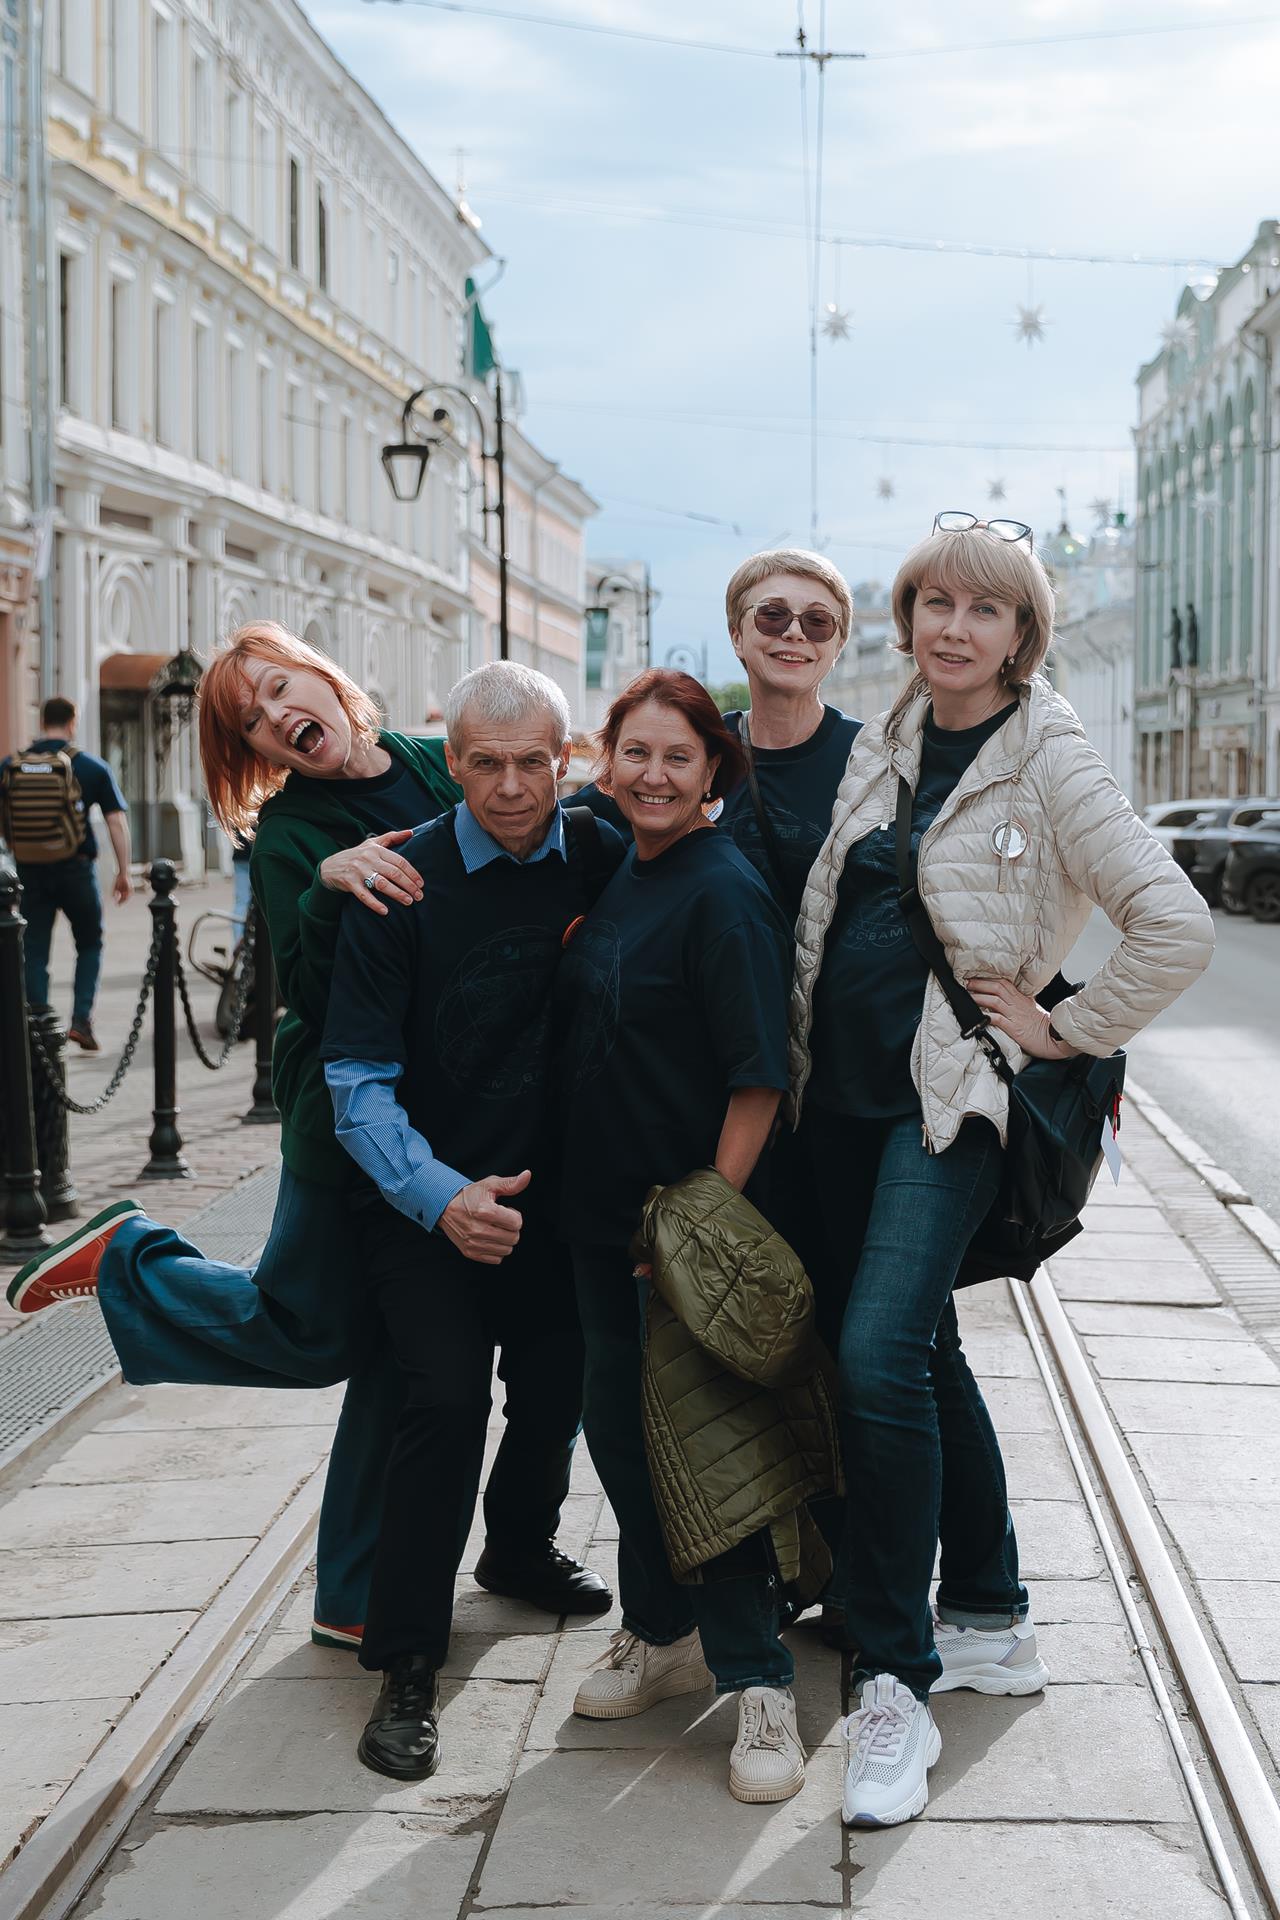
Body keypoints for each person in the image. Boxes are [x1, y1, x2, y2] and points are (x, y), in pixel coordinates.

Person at [5, 625, 605, 1653]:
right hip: (351, 1118)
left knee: (402, 1353)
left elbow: (526, 819)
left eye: (282, 687)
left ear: (327, 680)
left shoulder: (435, 758)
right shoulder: (292, 835)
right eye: (253, 719)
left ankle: (353, 1589)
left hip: (463, 1104)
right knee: (320, 1332)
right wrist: (333, 888)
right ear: (256, 751)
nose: (280, 716)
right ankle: (133, 1262)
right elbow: (318, 997)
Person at [788, 512, 1215, 1827]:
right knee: (920, 1353)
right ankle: (987, 1613)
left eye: (985, 609)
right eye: (935, 603)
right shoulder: (891, 737)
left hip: (946, 1104)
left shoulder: (1049, 751)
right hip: (838, 1102)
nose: (954, 627)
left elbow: (1174, 922)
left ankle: (893, 1679)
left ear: (1023, 635)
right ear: (907, 618)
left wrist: (1061, 1028)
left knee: (874, 1358)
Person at [321, 661, 618, 1783]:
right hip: (424, 1200)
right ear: (449, 762)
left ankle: (520, 1548)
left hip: (556, 1199)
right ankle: (406, 1661)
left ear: (565, 759)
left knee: (559, 1383)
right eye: (485, 764)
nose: (510, 788)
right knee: (443, 1402)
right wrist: (443, 1198)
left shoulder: (598, 853)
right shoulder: (401, 881)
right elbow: (354, 1080)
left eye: (532, 763)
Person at [558, 669, 809, 1806]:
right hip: (597, 1221)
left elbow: (759, 1081)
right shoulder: (625, 864)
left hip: (678, 1233)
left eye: (677, 757)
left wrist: (698, 1227)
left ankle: (760, 1681)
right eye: (636, 753)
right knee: (621, 1439)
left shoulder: (722, 891)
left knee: (708, 1455)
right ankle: (662, 1633)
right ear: (607, 761)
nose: (653, 775)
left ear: (714, 771)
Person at [572, 549, 859, 921]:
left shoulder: (872, 757)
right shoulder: (694, 748)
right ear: (737, 636)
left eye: (818, 621)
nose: (794, 632)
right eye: (772, 615)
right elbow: (564, 820)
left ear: (838, 645)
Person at [1, 695, 132, 1049]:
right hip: (76, 870)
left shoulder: (11, 765)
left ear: (42, 722)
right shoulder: (90, 766)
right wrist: (123, 872)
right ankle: (81, 1021)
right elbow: (116, 822)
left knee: (33, 947)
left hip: (28, 872)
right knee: (89, 943)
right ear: (72, 722)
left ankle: (38, 1026)